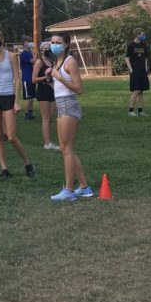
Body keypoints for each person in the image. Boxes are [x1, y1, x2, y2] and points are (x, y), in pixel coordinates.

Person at [47, 32, 93, 201]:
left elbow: (79, 89)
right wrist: (53, 76)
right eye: (52, 42)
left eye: (58, 42)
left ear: (66, 44)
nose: (54, 44)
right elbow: (60, 85)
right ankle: (84, 187)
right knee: (66, 148)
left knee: (66, 148)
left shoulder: (70, 61)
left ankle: (68, 190)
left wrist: (59, 77)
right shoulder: (57, 62)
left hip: (68, 104)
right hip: (61, 104)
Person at [0, 30, 35, 180]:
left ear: (2, 39)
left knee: (11, 136)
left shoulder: (11, 56)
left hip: (8, 98)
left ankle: (27, 163)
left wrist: (17, 101)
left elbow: (17, 79)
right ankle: (4, 169)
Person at [32, 41, 59, 150]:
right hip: (42, 90)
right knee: (46, 117)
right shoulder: (39, 62)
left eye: (48, 48)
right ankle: (47, 143)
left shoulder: (52, 61)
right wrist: (46, 76)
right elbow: (33, 79)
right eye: (44, 48)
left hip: (52, 89)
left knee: (51, 116)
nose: (46, 49)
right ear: (40, 50)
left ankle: (50, 141)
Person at [125, 28, 150, 117]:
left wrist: (146, 68)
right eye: (142, 34)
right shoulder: (131, 45)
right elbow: (127, 58)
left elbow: (146, 58)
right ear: (137, 35)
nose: (144, 36)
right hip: (135, 71)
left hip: (143, 71)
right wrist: (131, 70)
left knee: (141, 91)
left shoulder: (144, 46)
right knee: (136, 90)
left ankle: (140, 111)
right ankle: (130, 111)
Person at [19, 36, 36, 120]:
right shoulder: (24, 54)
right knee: (28, 97)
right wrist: (33, 53)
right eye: (28, 42)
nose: (29, 43)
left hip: (32, 77)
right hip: (27, 78)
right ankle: (26, 113)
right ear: (24, 43)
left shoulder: (29, 53)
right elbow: (34, 61)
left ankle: (30, 112)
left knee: (31, 97)